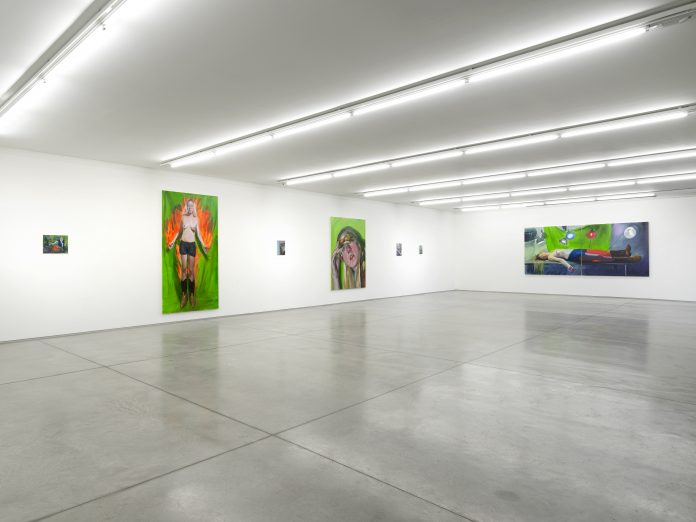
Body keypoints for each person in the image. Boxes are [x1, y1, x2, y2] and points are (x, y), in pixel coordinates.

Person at [167, 198, 210, 308]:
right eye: (188, 205)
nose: (190, 207)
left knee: (191, 271)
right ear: (187, 206)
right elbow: (179, 232)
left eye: (192, 206)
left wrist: (204, 245)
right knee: (183, 270)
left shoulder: (196, 219)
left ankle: (191, 295)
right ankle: (184, 295)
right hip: (183, 245)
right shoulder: (183, 217)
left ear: (193, 207)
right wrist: (172, 242)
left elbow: (198, 234)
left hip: (191, 246)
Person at [535, 245, 640, 273]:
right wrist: (569, 267)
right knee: (600, 257)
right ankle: (628, 259)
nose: (543, 255)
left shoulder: (552, 250)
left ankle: (624, 253)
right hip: (576, 256)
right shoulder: (550, 256)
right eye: (541, 257)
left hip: (577, 251)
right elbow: (561, 260)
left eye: (541, 254)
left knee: (601, 253)